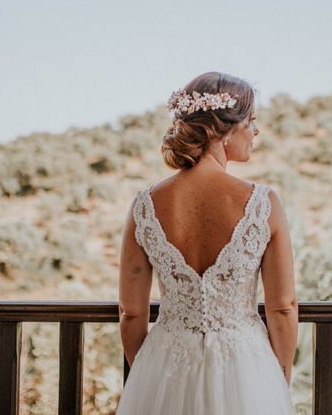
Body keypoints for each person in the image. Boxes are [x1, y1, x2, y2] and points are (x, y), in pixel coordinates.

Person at [116, 71, 298, 414]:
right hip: (245, 368)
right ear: (219, 129)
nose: (255, 131)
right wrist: (279, 377)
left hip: (165, 365)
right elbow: (283, 306)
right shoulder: (263, 204)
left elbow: (131, 312)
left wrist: (148, 374)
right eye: (250, 120)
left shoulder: (145, 205)